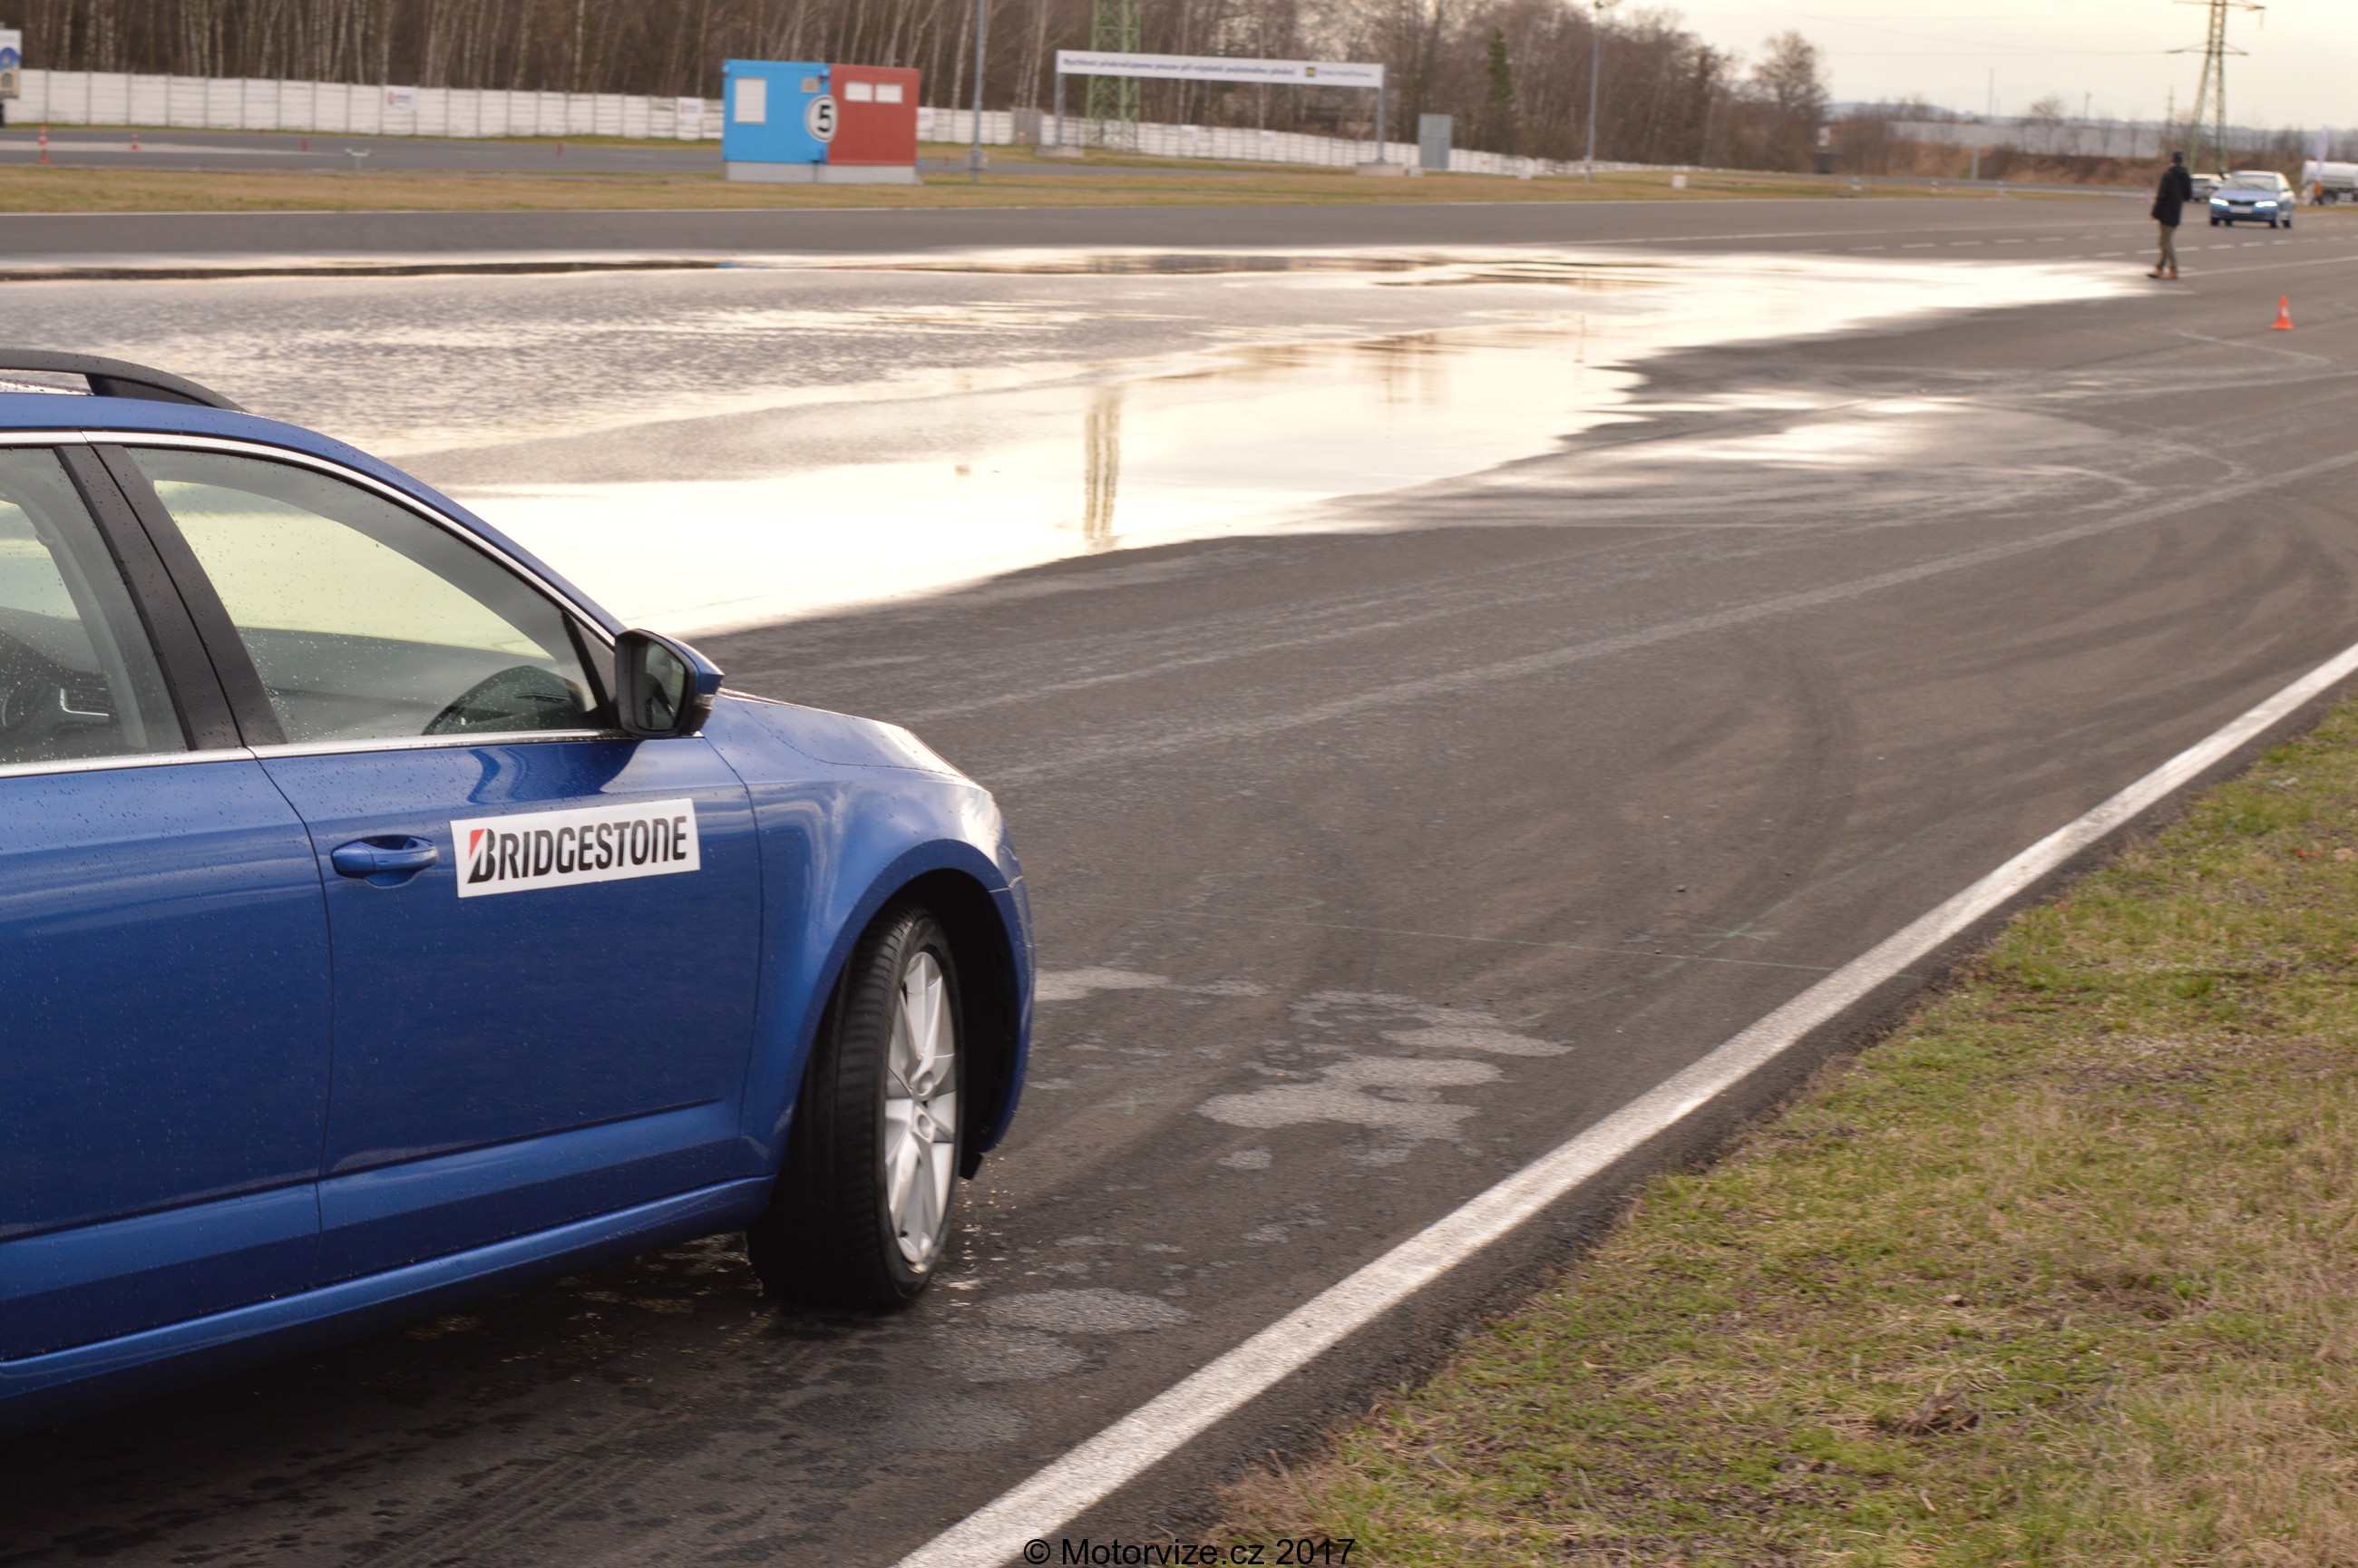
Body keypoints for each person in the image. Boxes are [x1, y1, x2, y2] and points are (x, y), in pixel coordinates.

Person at [2150, 150, 2194, 280]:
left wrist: (2155, 213)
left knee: (2165, 242)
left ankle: (2173, 269)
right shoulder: (2186, 176)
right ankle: (2159, 268)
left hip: (2165, 212)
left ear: (2172, 161)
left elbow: (2162, 195)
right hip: (2176, 211)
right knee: (2165, 241)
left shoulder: (2168, 175)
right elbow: (2188, 196)